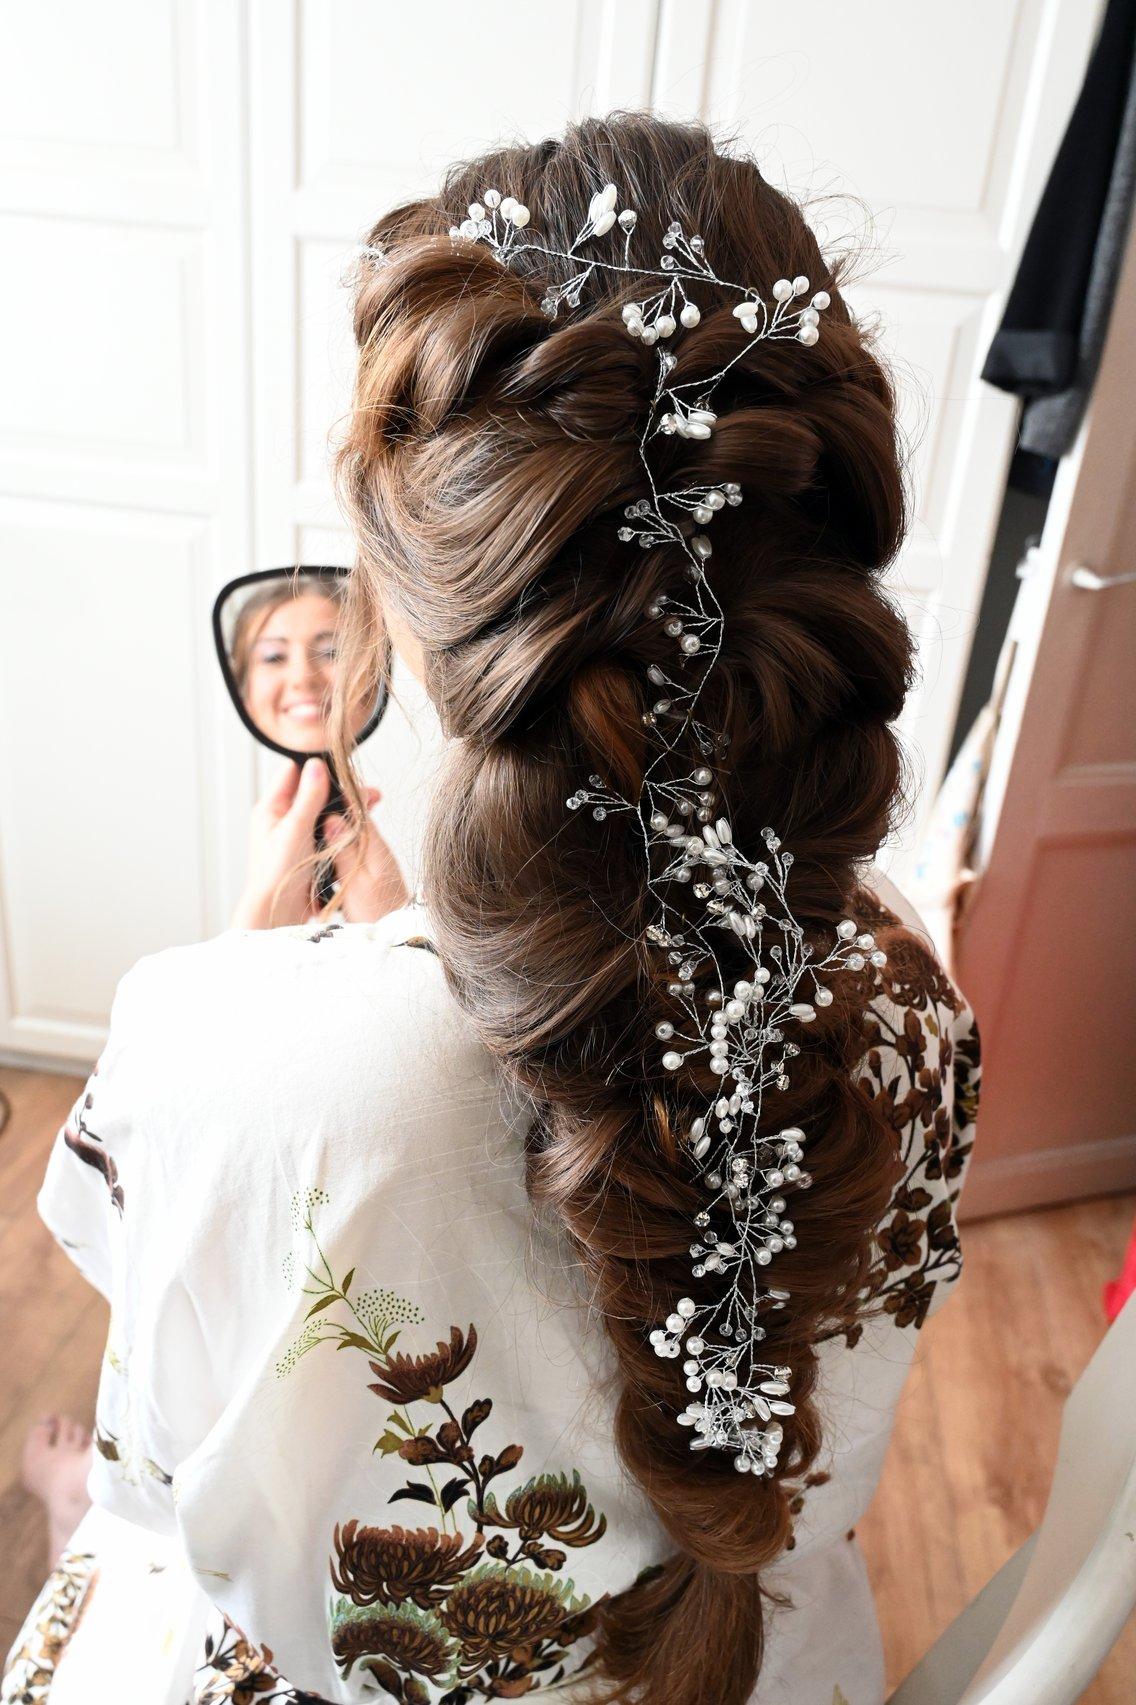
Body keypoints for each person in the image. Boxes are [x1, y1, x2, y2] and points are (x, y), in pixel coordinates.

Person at [7, 114, 980, 1705]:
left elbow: (168, 1463)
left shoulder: (219, 1043)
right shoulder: (918, 1017)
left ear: (412, 593)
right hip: (764, 1658)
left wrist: (283, 984)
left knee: (118, 1528)